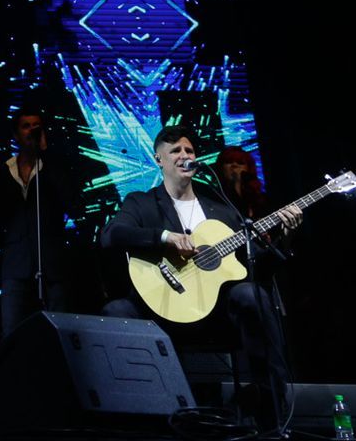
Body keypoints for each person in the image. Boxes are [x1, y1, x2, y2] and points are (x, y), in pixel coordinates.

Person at [99, 126, 300, 433]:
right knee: (116, 312)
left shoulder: (221, 211)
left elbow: (253, 266)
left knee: (252, 294)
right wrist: (164, 237)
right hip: (161, 310)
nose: (184, 156)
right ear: (159, 160)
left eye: (189, 151)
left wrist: (283, 238)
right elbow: (111, 236)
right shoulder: (141, 202)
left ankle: (272, 406)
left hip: (215, 314)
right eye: (175, 151)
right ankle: (131, 421)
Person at [0, 106, 78, 334]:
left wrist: (45, 155)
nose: (31, 131)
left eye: (36, 126)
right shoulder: (4, 171)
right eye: (26, 126)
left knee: (58, 332)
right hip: (15, 264)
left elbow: (71, 202)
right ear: (16, 134)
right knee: (12, 331)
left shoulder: (54, 167)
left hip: (52, 264)